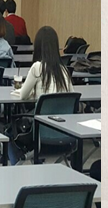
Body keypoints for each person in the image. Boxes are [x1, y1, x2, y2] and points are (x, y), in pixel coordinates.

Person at [10, 26, 73, 164]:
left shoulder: (37, 67)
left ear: (38, 46)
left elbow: (23, 96)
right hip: (65, 132)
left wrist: (32, 93)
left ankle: (15, 166)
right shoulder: (64, 70)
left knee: (9, 130)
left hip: (41, 132)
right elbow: (71, 96)